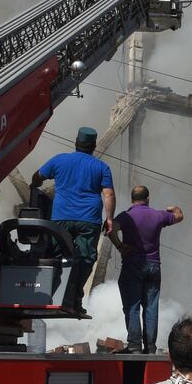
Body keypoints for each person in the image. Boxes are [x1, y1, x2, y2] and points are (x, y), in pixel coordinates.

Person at [30, 127, 115, 314]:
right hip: (89, 219)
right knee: (85, 258)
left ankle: (50, 295)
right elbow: (108, 193)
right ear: (93, 146)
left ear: (76, 142)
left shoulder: (60, 160)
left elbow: (38, 176)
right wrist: (109, 219)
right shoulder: (101, 167)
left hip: (61, 218)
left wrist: (35, 184)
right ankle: (75, 297)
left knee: (58, 255)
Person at [108, 186, 183, 354]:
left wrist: (120, 246)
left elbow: (110, 229)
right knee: (151, 307)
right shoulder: (158, 215)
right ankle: (150, 348)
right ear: (148, 199)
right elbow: (179, 216)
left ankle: (134, 346)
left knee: (132, 306)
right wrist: (174, 208)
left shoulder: (126, 216)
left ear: (132, 199)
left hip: (132, 265)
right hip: (154, 266)